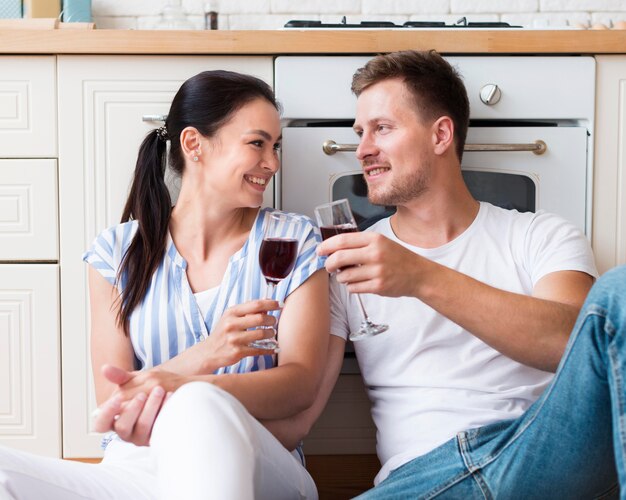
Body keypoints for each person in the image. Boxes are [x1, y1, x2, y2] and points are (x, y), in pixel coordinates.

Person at [0, 70, 329, 499]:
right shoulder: (116, 252)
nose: (273, 163)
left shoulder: (294, 239)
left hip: (259, 462)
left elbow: (300, 386)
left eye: (275, 146)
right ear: (194, 144)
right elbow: (114, 401)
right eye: (257, 143)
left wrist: (186, 388)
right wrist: (203, 357)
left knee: (199, 406)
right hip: (138, 465)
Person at [311, 50, 626, 498]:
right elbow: (303, 407)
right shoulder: (348, 259)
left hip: (530, 454)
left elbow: (572, 347)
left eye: (382, 128)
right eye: (360, 133)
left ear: (441, 134)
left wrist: (419, 276)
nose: (362, 149)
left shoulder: (539, 235)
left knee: (621, 291)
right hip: (422, 479)